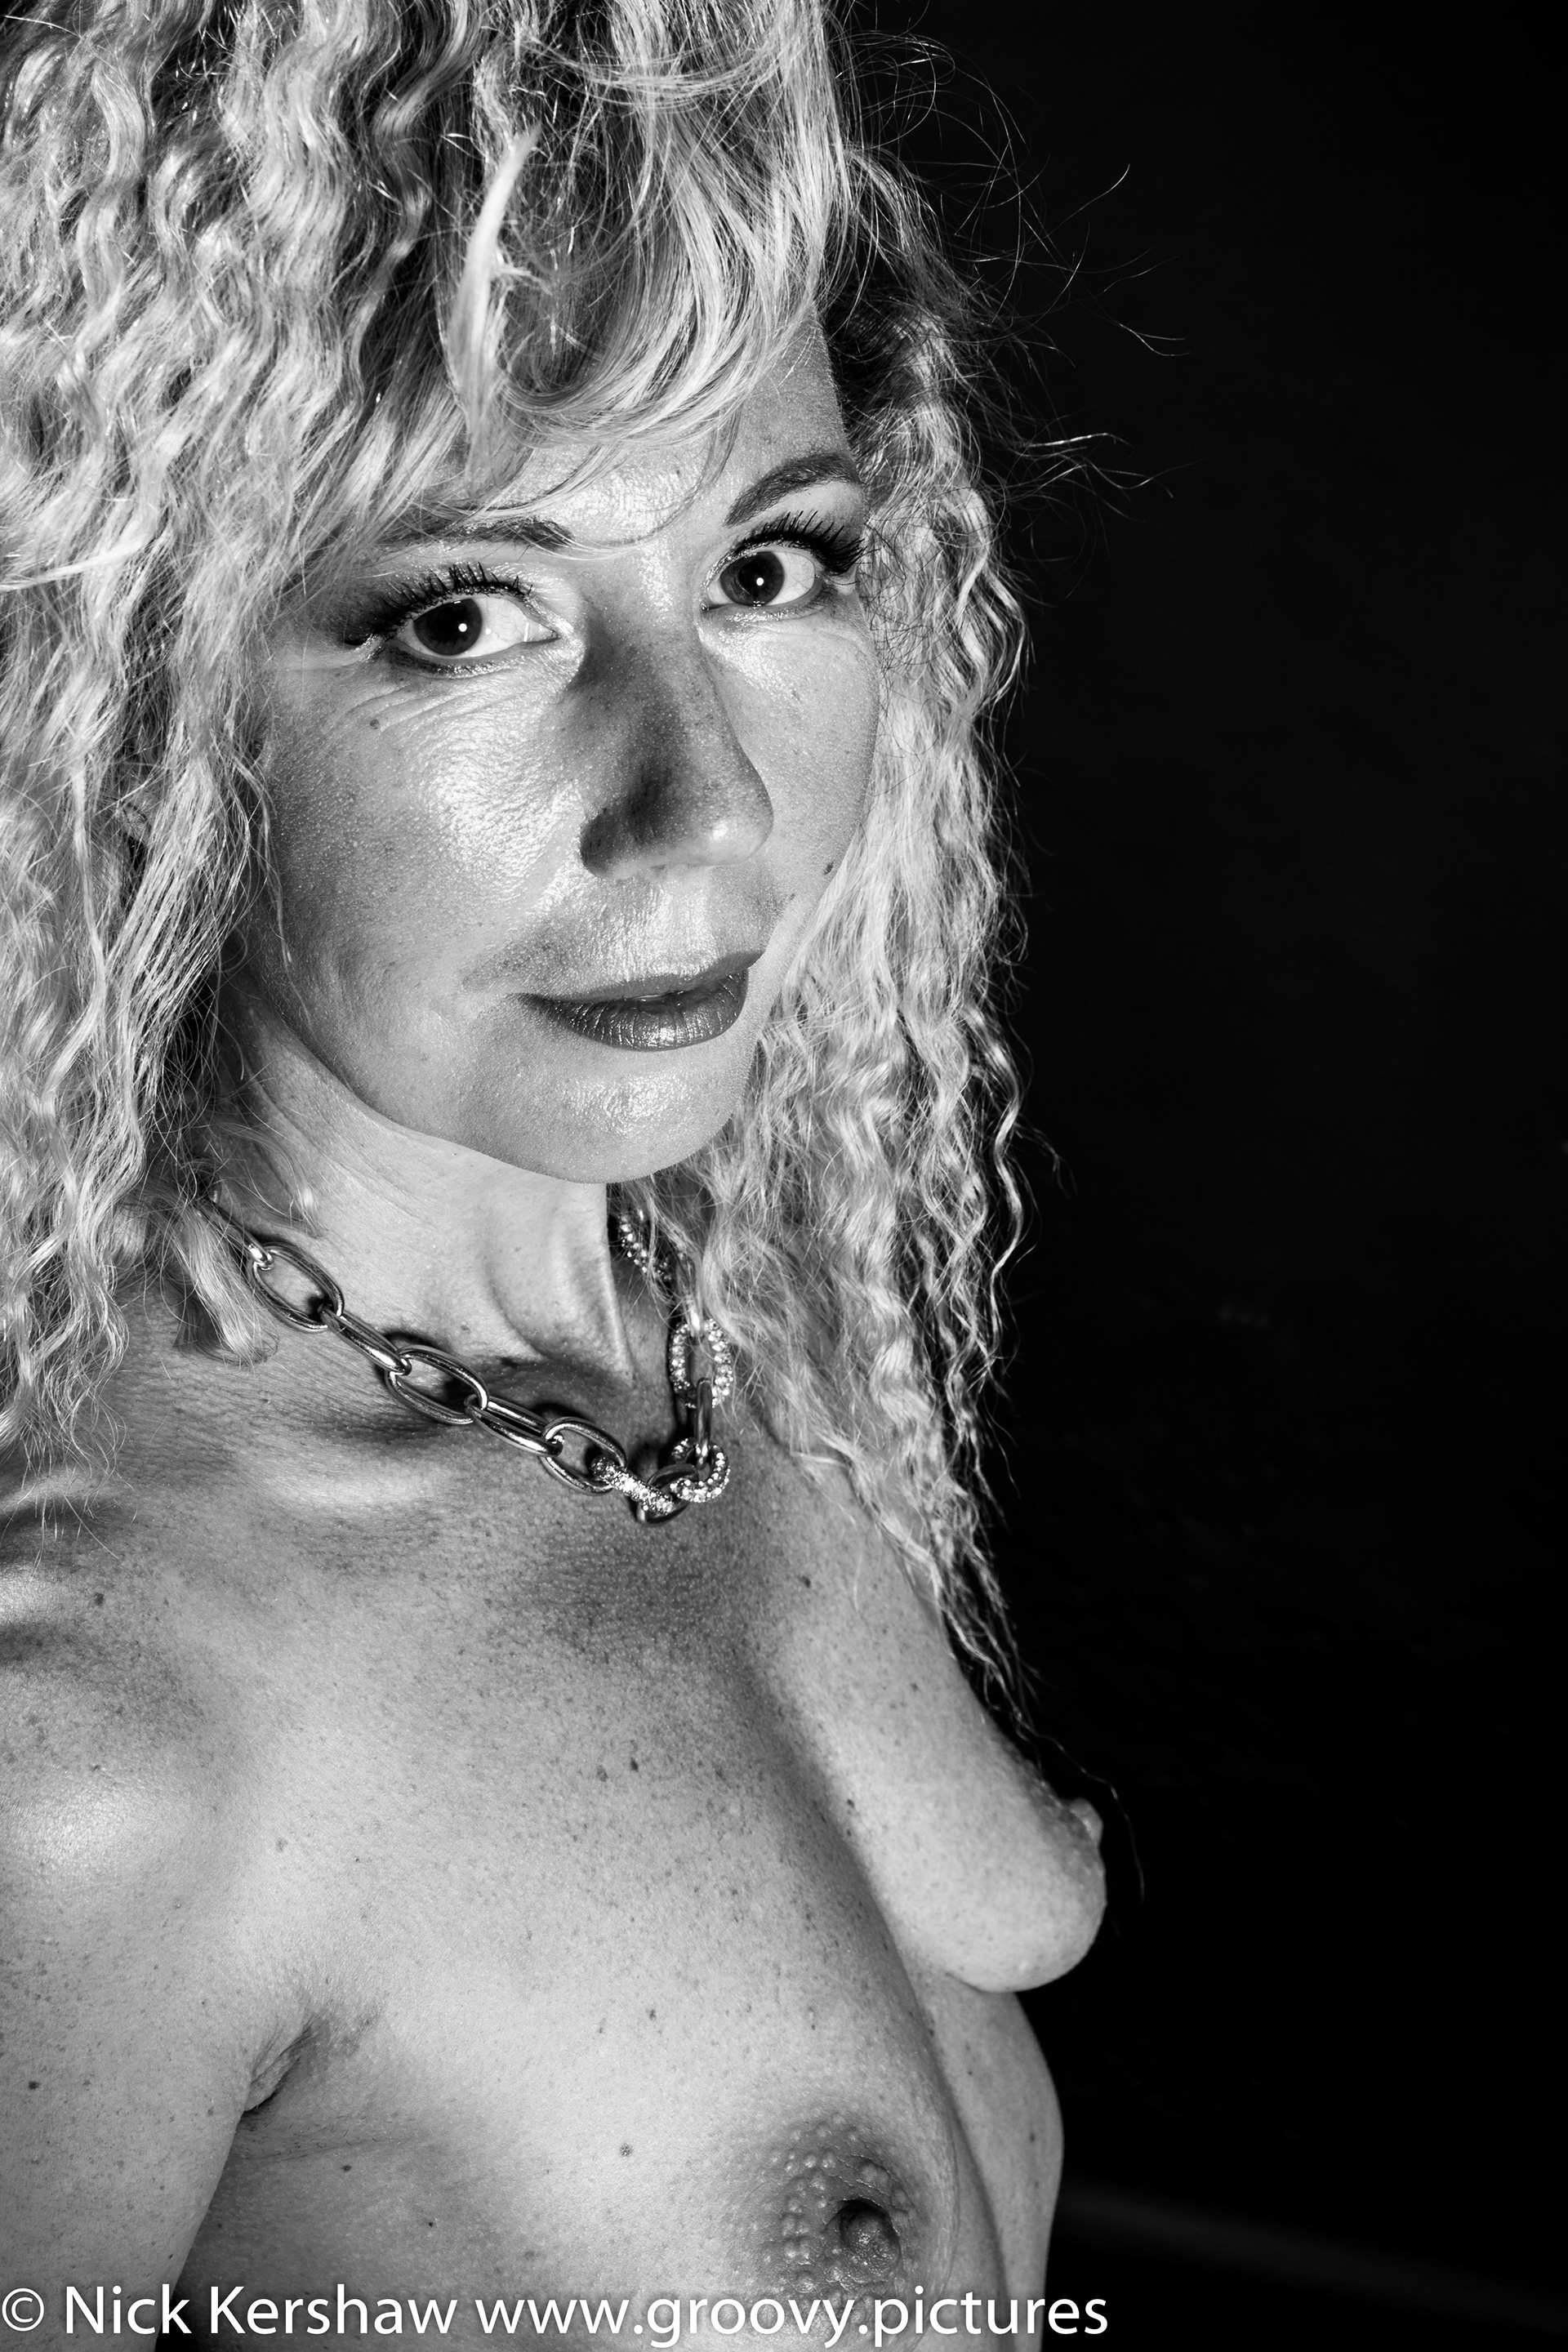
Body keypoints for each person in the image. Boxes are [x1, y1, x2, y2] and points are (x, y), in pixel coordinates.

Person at [0, 0, 1104, 2337]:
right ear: (130, 702)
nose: (709, 802)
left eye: (770, 568)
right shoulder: (97, 1749)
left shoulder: (742, 1365)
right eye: (461, 617)